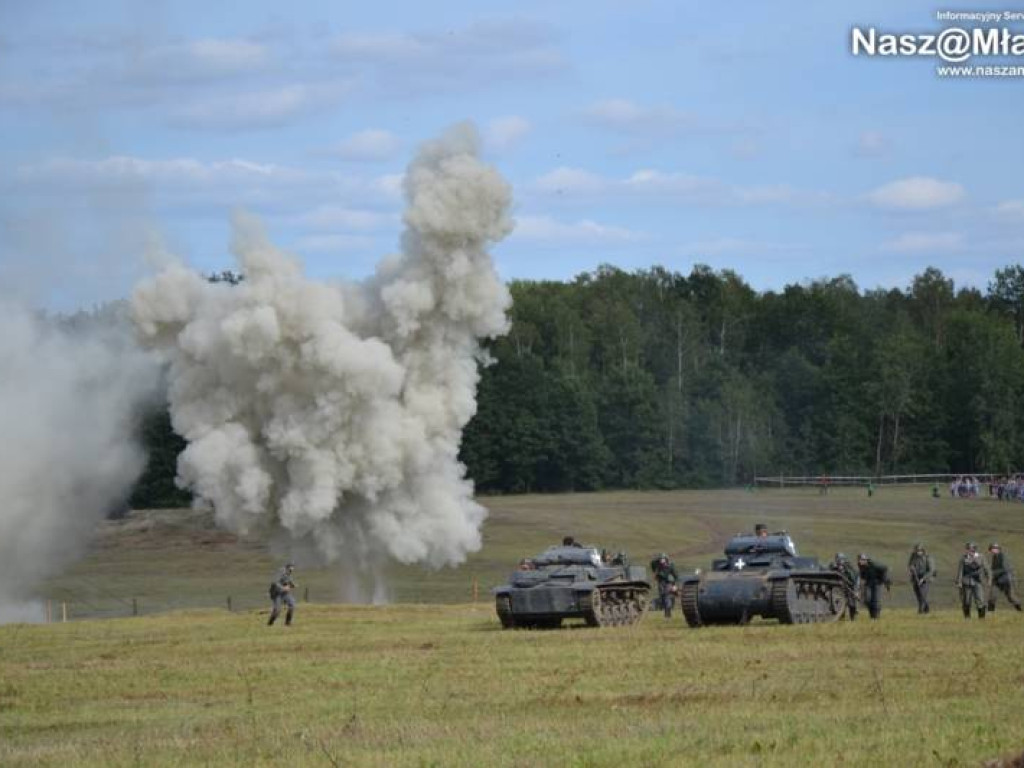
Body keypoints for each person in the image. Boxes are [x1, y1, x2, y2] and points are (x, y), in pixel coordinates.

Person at [955, 542, 989, 619]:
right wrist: (959, 582)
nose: (969, 551)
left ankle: (981, 618)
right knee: (966, 601)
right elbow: (960, 571)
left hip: (978, 581)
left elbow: (986, 568)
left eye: (971, 549)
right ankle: (967, 617)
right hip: (966, 581)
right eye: (968, 549)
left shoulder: (981, 557)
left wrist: (988, 579)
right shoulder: (963, 558)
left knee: (980, 600)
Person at [987, 542, 1022, 612]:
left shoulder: (1003, 556)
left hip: (1005, 580)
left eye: (994, 549)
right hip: (997, 581)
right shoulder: (994, 557)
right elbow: (993, 569)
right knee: (992, 596)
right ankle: (990, 613)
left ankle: (1020, 610)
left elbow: (1005, 569)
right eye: (991, 549)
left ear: (998, 549)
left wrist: (993, 573)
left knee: (1010, 597)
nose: (992, 551)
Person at [857, 553, 891, 620]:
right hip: (869, 583)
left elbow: (885, 568)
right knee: (867, 600)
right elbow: (862, 577)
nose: (861, 561)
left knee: (875, 600)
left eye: (863, 560)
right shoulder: (861, 567)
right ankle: (872, 614)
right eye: (860, 560)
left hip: (877, 583)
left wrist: (885, 580)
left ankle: (876, 617)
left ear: (866, 560)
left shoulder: (874, 565)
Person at [907, 542, 936, 614]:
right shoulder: (913, 556)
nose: (918, 552)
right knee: (919, 596)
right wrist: (911, 568)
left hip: (926, 579)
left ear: (923, 550)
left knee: (922, 594)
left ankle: (920, 612)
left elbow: (931, 570)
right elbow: (910, 564)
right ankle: (927, 609)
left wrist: (923, 579)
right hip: (915, 578)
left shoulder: (928, 557)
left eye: (919, 550)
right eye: (916, 550)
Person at [830, 552, 860, 621]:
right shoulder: (833, 567)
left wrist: (856, 590)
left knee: (852, 604)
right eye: (838, 559)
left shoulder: (849, 567)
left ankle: (853, 618)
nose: (839, 561)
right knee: (840, 604)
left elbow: (855, 577)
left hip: (850, 586)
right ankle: (841, 618)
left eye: (841, 559)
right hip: (839, 588)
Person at [649, 553, 680, 619]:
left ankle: (668, 615)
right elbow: (652, 564)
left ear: (666, 559)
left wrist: (675, 586)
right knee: (662, 598)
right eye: (660, 559)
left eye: (663, 559)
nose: (661, 561)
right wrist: (657, 559)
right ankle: (666, 614)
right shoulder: (657, 566)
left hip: (668, 583)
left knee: (667, 597)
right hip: (661, 583)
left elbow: (676, 576)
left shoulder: (670, 566)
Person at [268, 562, 297, 626]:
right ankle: (270, 623)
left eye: (292, 570)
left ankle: (287, 623)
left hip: (285, 594)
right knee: (277, 610)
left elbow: (289, 581)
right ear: (287, 568)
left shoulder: (289, 574)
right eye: (290, 569)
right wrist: (283, 588)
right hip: (277, 594)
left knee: (292, 605)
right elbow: (275, 583)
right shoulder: (280, 573)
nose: (291, 571)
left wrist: (293, 585)